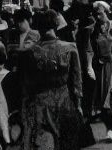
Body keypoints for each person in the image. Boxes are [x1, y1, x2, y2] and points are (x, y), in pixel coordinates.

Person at [17, 8, 82, 150]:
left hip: (39, 105)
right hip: (64, 102)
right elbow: (77, 83)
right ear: (56, 25)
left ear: (38, 26)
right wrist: (78, 105)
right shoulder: (70, 48)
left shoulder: (30, 52)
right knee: (66, 144)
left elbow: (26, 85)